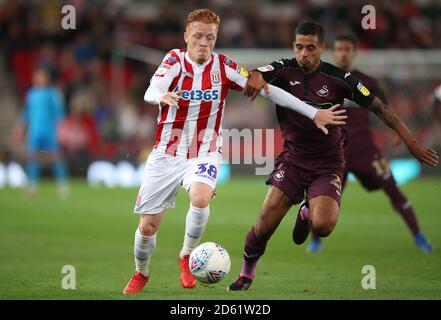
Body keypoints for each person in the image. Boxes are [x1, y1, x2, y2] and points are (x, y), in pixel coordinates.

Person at [122, 10, 346, 295]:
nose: (204, 42)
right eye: (198, 36)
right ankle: (141, 273)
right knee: (148, 227)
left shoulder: (224, 66)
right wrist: (161, 96)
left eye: (210, 37)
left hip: (205, 152)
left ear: (216, 38)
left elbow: (267, 90)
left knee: (201, 199)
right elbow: (151, 89)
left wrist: (313, 112)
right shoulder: (174, 60)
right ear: (186, 36)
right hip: (166, 154)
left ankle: (187, 256)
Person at [228, 21, 438, 291]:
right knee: (265, 224)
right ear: (294, 46)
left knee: (324, 225)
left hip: (328, 164)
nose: (304, 53)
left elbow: (381, 108)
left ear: (322, 49)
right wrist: (255, 75)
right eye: (299, 47)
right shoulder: (283, 68)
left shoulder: (340, 79)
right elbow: (257, 74)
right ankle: (246, 274)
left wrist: (412, 143)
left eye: (311, 48)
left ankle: (306, 211)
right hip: (292, 159)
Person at [307, 35, 433, 253]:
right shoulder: (323, 81)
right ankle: (316, 241)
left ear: (354, 52)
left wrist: (395, 132)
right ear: (333, 52)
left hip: (368, 152)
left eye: (347, 49)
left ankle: (419, 236)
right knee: (322, 199)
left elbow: (386, 108)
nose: (343, 53)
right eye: (339, 49)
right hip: (337, 154)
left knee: (393, 189)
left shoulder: (368, 82)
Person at [13, 67, 69, 196]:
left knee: (56, 157)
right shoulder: (31, 94)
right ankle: (32, 185)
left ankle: (62, 183)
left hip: (50, 132)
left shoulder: (53, 93)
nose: (39, 78)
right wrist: (20, 128)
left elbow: (60, 113)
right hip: (35, 132)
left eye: (41, 76)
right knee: (33, 158)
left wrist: (61, 128)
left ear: (46, 78)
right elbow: (26, 113)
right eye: (37, 76)